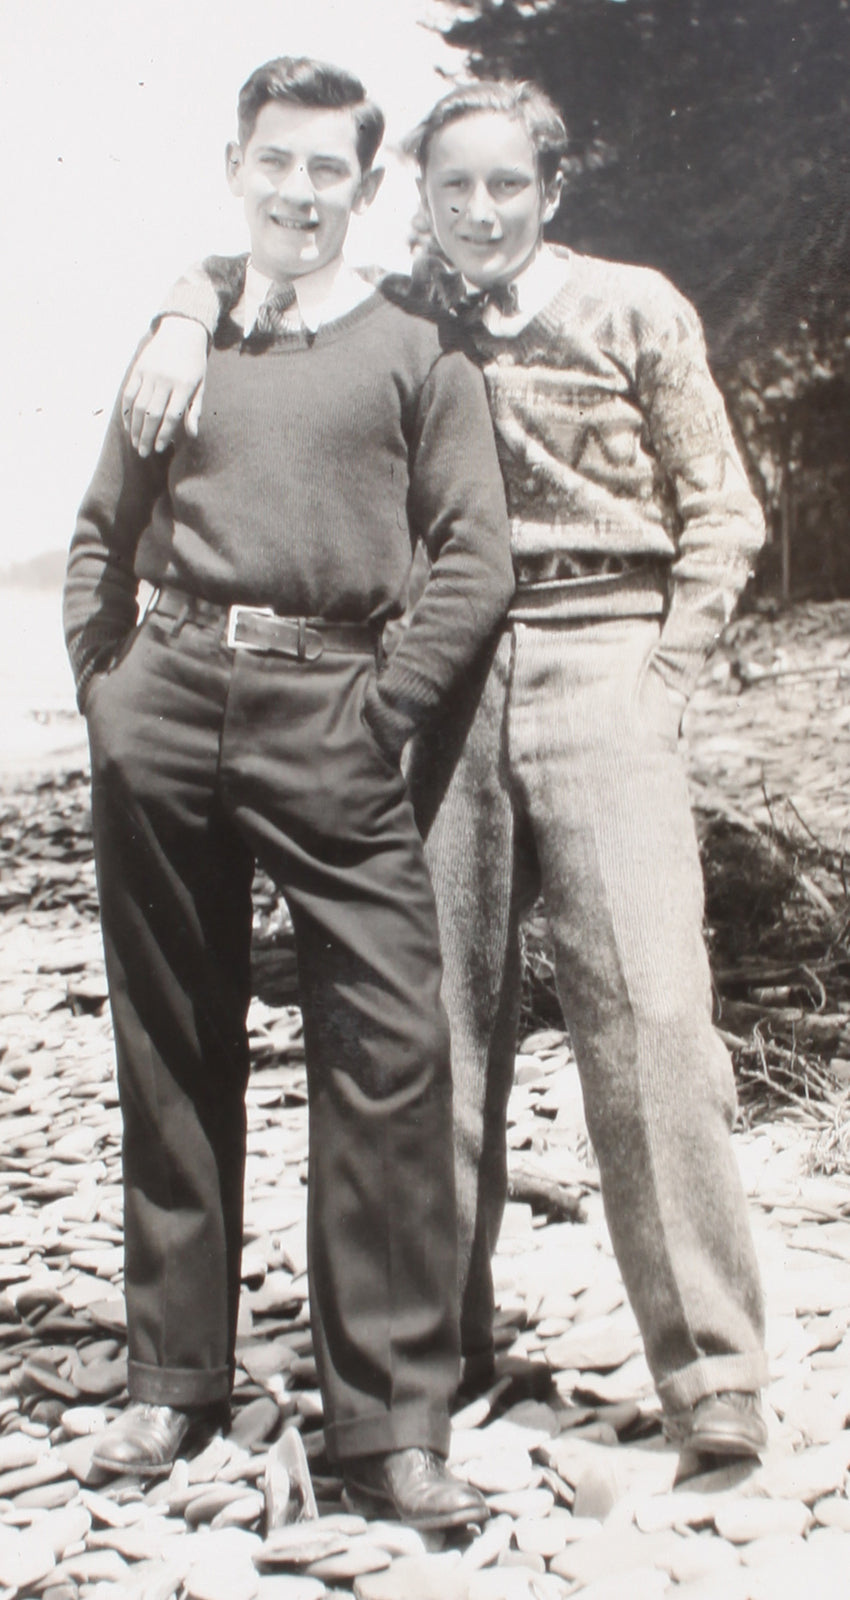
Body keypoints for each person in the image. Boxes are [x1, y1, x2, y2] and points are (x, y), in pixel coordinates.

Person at [121, 76, 770, 1459]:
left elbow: (721, 509)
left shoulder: (634, 307)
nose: (481, 212)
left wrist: (665, 674)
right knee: (432, 1022)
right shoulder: (407, 316)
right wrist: (184, 304)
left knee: (649, 1011)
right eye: (453, 188)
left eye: (507, 187)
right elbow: (264, 264)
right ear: (418, 197)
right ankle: (443, 1345)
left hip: (606, 650)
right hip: (445, 676)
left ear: (552, 190)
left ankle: (711, 1369)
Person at [63, 56, 515, 1530]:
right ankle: (172, 1380)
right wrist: (107, 694)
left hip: (335, 710)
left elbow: (472, 558)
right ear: (238, 167)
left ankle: (389, 1425)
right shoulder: (180, 340)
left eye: (331, 170)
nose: (302, 191)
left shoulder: (412, 348)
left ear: (367, 189)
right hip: (173, 695)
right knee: (173, 1043)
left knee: (388, 1048)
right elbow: (100, 535)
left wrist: (381, 714)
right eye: (279, 163)